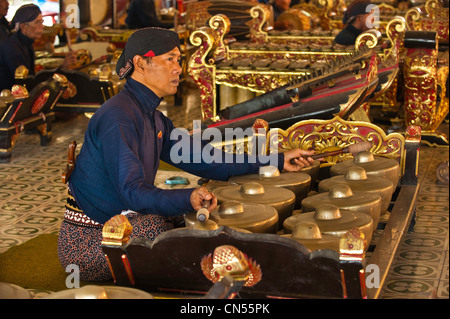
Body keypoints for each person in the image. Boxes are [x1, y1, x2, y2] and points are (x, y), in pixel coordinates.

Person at [57, 27, 316, 281]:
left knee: (202, 217)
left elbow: (206, 160)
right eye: (169, 59)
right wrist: (188, 196)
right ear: (140, 63)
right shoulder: (119, 117)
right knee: (161, 230)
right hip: (92, 239)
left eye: (178, 60)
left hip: (125, 219)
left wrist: (276, 161)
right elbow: (132, 192)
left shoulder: (154, 118)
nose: (178, 68)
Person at [0, 4, 77, 91]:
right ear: (24, 27)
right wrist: (62, 68)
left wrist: (63, 67)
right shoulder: (12, 48)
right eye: (37, 22)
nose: (42, 26)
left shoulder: (25, 44)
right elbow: (28, 82)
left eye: (42, 21)